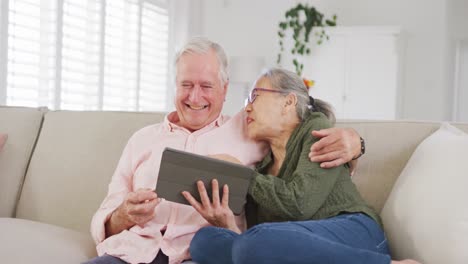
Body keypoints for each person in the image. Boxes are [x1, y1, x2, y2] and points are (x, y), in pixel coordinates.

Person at [86, 37, 364, 264]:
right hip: (129, 254)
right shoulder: (141, 139)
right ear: (175, 86)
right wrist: (123, 214)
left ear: (224, 89)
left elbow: (297, 123)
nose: (195, 97)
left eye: (206, 86)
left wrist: (354, 142)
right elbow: (105, 218)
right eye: (186, 85)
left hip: (195, 255)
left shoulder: (248, 131)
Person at [184, 68, 419, 264]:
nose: (247, 108)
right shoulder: (262, 168)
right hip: (299, 244)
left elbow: (300, 204)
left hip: (354, 230)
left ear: (288, 101)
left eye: (255, 96)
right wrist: (228, 225)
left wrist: (243, 175)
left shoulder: (316, 129)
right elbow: (268, 237)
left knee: (255, 242)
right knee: (204, 240)